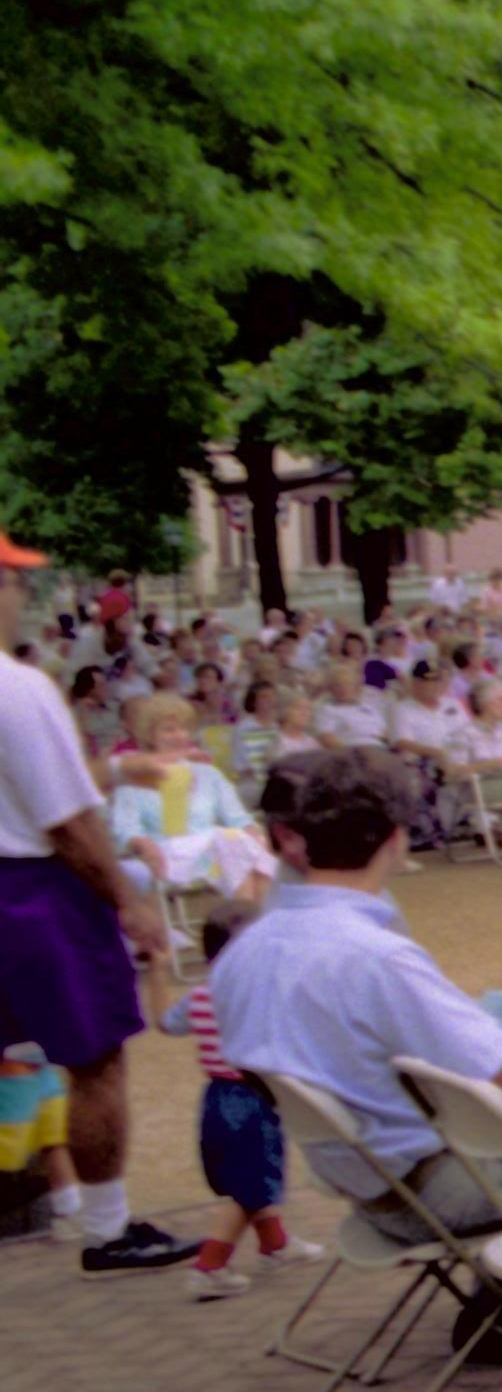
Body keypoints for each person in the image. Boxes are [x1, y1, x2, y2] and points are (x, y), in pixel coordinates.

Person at [210, 748, 502, 1240]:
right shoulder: (376, 959)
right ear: (397, 839)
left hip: (367, 1183)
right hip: (446, 1187)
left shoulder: (241, 954)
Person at [0, 533, 192, 1270]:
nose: (22, 594)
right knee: (94, 1056)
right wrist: (127, 901)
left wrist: (116, 770)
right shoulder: (20, 686)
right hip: (35, 887)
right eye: (14, 581)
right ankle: (108, 1228)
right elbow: (65, 818)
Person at [142, 895, 323, 1300]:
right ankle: (210, 1266)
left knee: (251, 1176)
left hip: (217, 1097)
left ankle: (276, 1243)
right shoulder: (260, 997)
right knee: (247, 1189)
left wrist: (157, 970)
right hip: (251, 1097)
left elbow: (165, 1022)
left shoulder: (200, 996)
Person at [107, 694, 278, 907]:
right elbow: (125, 828)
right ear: (150, 735)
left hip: (217, 856)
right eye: (169, 729)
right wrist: (142, 843)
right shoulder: (136, 779)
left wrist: (254, 832)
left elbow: (238, 818)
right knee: (231, 842)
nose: (178, 736)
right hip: (167, 856)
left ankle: (250, 919)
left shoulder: (209, 774)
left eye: (183, 729)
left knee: (249, 843)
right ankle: (253, 924)